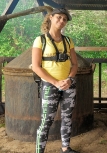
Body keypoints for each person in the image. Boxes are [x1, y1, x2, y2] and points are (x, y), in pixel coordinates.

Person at [32, 8, 79, 153]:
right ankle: (40, 150)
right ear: (51, 18)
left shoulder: (68, 40)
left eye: (64, 19)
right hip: (50, 85)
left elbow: (75, 64)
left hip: (68, 85)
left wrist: (70, 79)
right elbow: (36, 66)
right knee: (47, 120)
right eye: (59, 17)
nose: (61, 21)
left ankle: (65, 148)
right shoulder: (40, 40)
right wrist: (55, 82)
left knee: (67, 118)